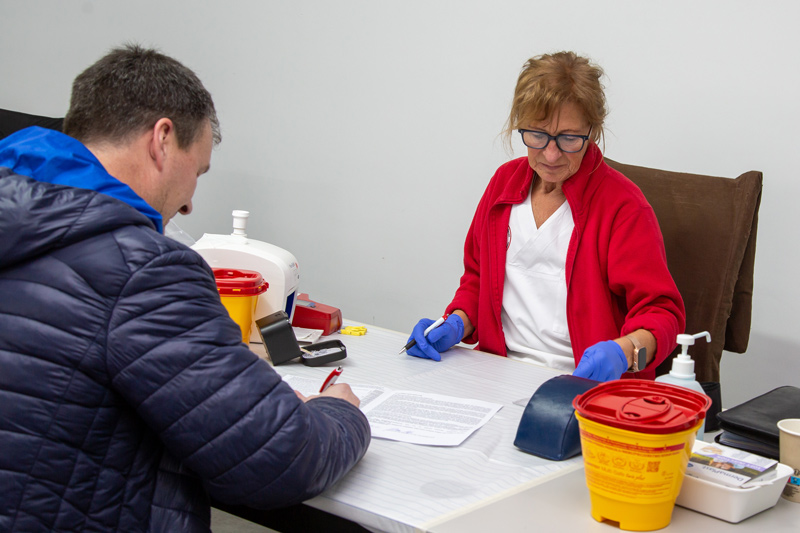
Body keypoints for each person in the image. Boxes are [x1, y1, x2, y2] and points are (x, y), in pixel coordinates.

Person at [0, 44, 370, 532]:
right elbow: (281, 457)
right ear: (162, 139)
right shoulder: (140, 270)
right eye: (196, 172)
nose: (191, 205)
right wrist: (339, 412)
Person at [406, 51, 685, 382]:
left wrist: (624, 352)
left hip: (581, 383)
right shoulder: (503, 185)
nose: (551, 155)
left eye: (569, 138)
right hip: (494, 373)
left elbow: (662, 312)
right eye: (537, 135)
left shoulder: (623, 207)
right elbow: (477, 279)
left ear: (592, 132)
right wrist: (456, 321)